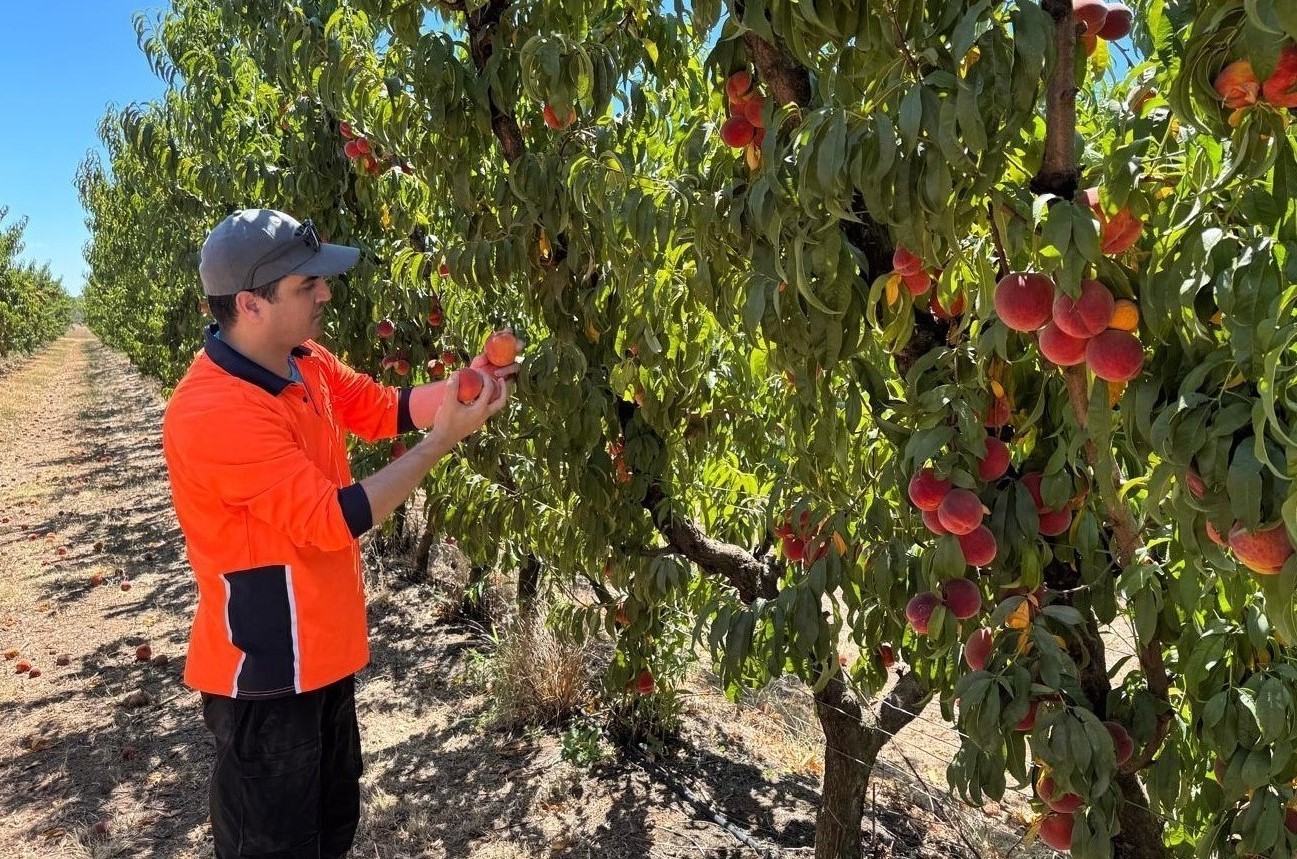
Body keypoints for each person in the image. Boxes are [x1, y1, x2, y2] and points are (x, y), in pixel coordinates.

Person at [161, 208, 514, 859]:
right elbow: (333, 518)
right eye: (306, 285)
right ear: (250, 304)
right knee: (272, 847)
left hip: (324, 655)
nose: (325, 292)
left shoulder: (304, 361)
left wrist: (468, 384)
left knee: (330, 831)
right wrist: (440, 445)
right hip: (266, 675)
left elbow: (384, 408)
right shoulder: (214, 409)